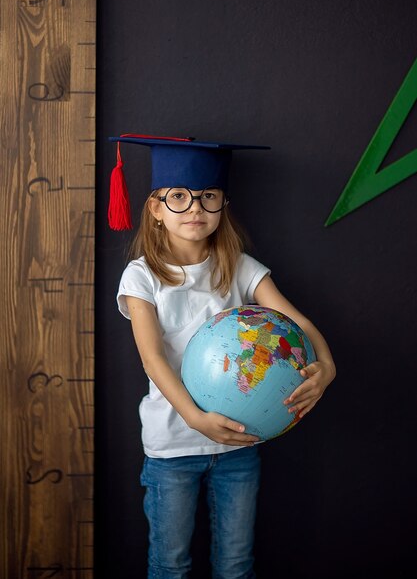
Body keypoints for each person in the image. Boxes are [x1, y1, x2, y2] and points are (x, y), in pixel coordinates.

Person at [108, 133, 336, 579]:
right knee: (170, 565)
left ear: (222, 205)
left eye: (208, 196)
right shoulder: (142, 276)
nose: (195, 208)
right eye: (179, 197)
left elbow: (297, 323)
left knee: (236, 564)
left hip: (238, 445)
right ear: (155, 208)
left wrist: (326, 366)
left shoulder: (239, 266)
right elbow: (152, 358)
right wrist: (194, 417)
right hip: (172, 445)